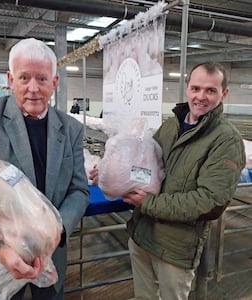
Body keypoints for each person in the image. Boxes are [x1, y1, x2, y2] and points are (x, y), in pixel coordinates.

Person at [90, 62, 245, 299]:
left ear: (223, 94)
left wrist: (148, 203)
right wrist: (110, 175)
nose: (201, 96)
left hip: (174, 249)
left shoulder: (226, 140)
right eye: (196, 88)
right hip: (143, 235)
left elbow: (210, 202)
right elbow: (147, 170)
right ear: (187, 89)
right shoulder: (171, 125)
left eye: (210, 90)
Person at [0, 38, 90, 300]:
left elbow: (79, 190)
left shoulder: (71, 129)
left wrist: (54, 233)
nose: (33, 88)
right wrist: (0, 250)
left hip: (49, 256)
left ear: (55, 82)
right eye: (24, 78)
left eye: (42, 78)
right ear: (10, 79)